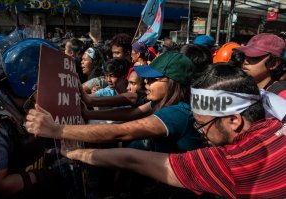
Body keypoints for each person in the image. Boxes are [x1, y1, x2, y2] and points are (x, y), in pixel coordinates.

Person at [62, 63, 286, 199]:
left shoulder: (231, 164)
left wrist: (73, 151)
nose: (200, 132)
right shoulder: (276, 123)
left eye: (202, 124)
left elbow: (131, 157)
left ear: (234, 120)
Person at [26, 51, 206, 198]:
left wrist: (57, 130)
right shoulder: (160, 103)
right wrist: (89, 112)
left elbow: (121, 132)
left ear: (174, 83)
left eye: (153, 79)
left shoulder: (177, 113)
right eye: (146, 78)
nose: (146, 83)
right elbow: (132, 113)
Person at [0, 39, 68, 199]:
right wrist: (49, 173)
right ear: (28, 82)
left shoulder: (23, 104)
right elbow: (3, 185)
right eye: (51, 84)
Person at [236, 33, 286, 99]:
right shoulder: (238, 87)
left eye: (254, 57)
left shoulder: (281, 97)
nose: (245, 61)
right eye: (244, 56)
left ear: (273, 64)